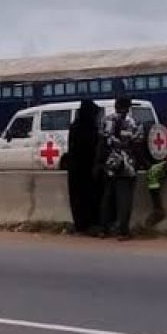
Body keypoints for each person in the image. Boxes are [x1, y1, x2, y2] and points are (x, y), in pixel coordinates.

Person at [98, 97, 142, 241]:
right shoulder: (132, 123)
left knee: (107, 197)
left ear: (116, 105)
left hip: (110, 163)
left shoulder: (106, 120)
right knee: (125, 199)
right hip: (126, 164)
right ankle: (123, 232)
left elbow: (101, 143)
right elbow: (137, 146)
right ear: (128, 107)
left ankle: (103, 229)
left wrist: (100, 162)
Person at [65, 100, 103, 235]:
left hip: (76, 170)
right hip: (86, 169)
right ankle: (89, 224)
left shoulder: (75, 126)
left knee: (78, 198)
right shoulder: (88, 128)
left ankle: (81, 225)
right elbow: (90, 149)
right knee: (88, 197)